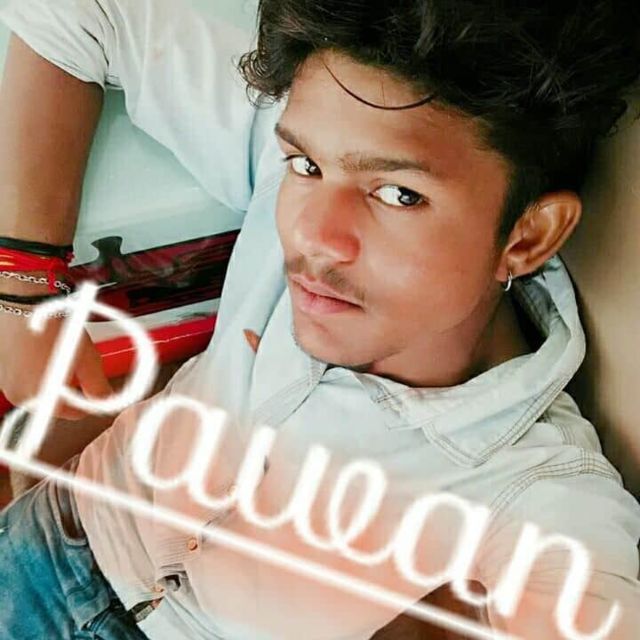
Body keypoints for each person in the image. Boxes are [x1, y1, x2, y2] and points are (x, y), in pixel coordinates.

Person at [0, 0, 639, 638]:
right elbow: (79, 10)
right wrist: (23, 289)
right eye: (305, 165)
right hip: (52, 529)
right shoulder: (325, 127)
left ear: (529, 236)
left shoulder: (543, 501)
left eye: (400, 194)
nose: (310, 235)